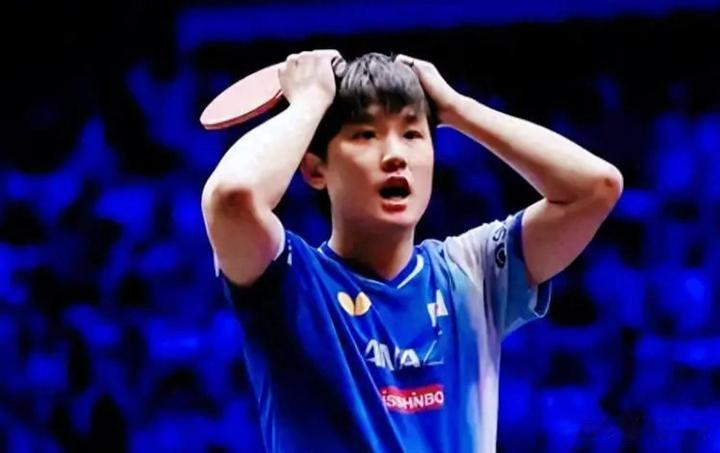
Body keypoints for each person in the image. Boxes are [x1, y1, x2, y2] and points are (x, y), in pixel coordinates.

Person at [201, 50, 623, 452]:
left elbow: (595, 188)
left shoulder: (471, 274)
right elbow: (231, 197)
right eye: (366, 135)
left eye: (412, 134)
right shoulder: (292, 282)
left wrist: (457, 109)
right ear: (315, 168)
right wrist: (309, 104)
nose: (395, 155)